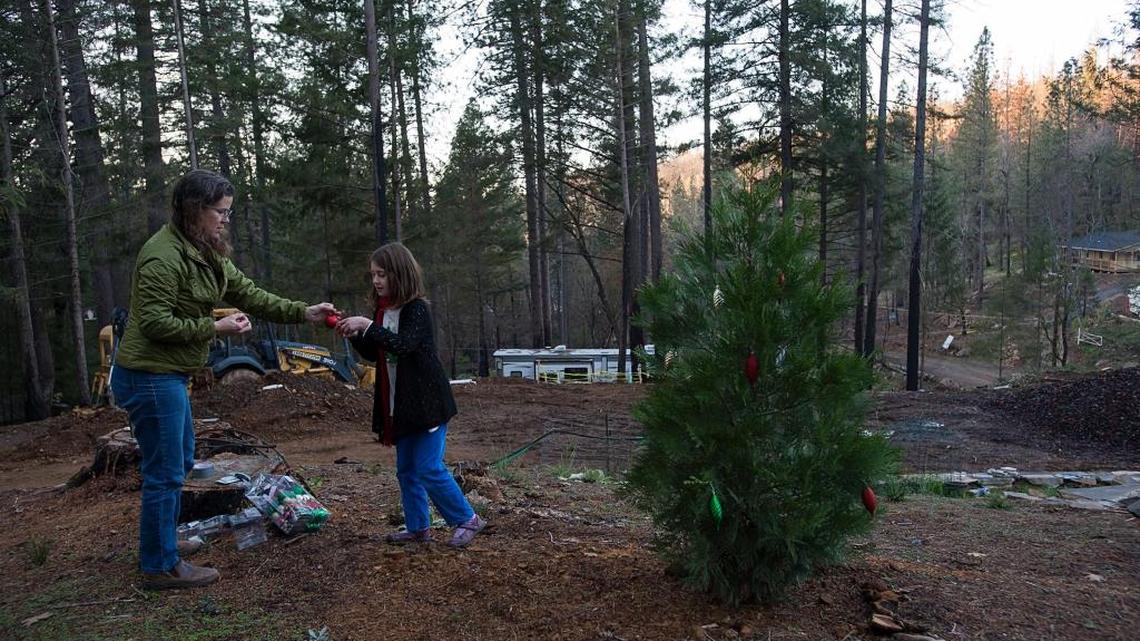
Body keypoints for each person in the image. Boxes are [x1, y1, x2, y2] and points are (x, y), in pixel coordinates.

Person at [112, 169, 338, 590]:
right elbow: (156, 323)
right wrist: (216, 329)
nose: (225, 221)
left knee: (177, 463)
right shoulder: (162, 255)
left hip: (169, 376)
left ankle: (165, 541)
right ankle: (160, 565)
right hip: (150, 376)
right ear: (195, 209)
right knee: (164, 471)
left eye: (228, 213)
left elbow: (249, 293)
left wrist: (302, 312)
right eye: (220, 212)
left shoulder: (203, 249)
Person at [334, 242, 486, 548]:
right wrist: (355, 334)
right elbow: (375, 351)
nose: (376, 281)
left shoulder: (417, 310)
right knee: (406, 470)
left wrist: (367, 325)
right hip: (399, 406)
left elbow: (403, 345)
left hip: (427, 404)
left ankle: (468, 518)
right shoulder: (382, 311)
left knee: (429, 467)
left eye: (382, 274)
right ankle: (419, 528)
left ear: (399, 274)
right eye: (373, 275)